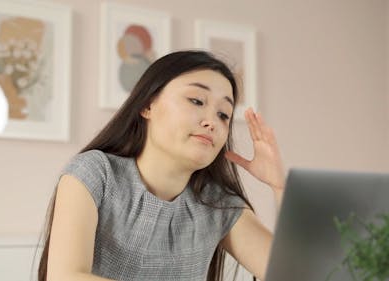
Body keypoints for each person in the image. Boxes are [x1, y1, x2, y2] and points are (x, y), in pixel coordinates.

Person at [38, 50, 285, 281]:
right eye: (197, 101)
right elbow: (65, 276)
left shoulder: (217, 203)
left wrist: (279, 186)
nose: (212, 122)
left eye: (224, 115)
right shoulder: (94, 173)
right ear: (147, 105)